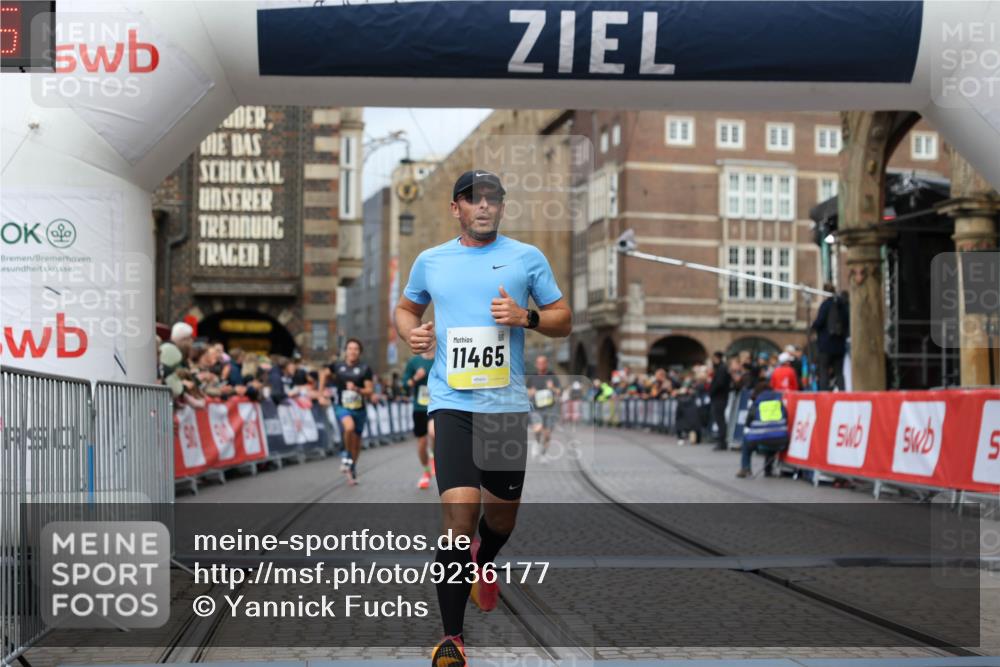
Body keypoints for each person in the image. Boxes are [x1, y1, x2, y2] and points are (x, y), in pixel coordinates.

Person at [394, 169, 571, 667]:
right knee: (458, 518)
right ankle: (452, 640)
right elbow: (405, 310)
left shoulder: (525, 258)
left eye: (493, 199)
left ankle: (480, 565)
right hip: (451, 402)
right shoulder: (431, 261)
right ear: (457, 208)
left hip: (505, 409)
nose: (484, 206)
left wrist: (527, 317)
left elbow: (564, 319)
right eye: (474, 200)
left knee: (501, 518)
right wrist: (413, 333)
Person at [322, 338, 374, 485]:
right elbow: (323, 374)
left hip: (359, 409)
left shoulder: (365, 369)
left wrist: (357, 389)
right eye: (350, 348)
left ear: (360, 352)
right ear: (346, 351)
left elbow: (369, 390)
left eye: (356, 349)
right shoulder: (337, 366)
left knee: (356, 444)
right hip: (342, 406)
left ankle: (352, 467)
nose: (353, 351)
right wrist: (321, 392)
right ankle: (345, 453)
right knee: (348, 427)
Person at [736, 380, 790, 478]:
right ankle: (768, 470)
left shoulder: (757, 403)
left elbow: (748, 423)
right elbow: (786, 417)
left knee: (747, 440)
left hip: (761, 440)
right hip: (781, 441)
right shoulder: (779, 401)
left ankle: (746, 468)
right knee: (772, 435)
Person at [403, 349, 436, 489]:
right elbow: (405, 384)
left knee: (433, 432)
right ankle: (426, 470)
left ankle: (433, 458)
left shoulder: (441, 357)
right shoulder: (414, 362)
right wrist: (416, 377)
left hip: (436, 405)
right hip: (420, 408)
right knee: (421, 443)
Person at [812, 284, 849, 390]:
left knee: (824, 370)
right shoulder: (842, 306)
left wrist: (813, 326)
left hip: (826, 345)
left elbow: (819, 322)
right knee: (839, 372)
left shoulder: (826, 305)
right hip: (839, 345)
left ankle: (824, 393)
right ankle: (842, 392)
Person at [526, 355, 561, 461]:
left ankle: (543, 454)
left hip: (550, 408)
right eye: (539, 363)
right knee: (538, 429)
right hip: (536, 408)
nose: (541, 365)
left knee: (547, 433)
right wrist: (530, 392)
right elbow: (527, 392)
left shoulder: (552, 376)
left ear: (546, 364)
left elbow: (559, 391)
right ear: (536, 364)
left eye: (543, 362)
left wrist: (552, 388)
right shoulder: (532, 377)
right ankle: (536, 443)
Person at [708, 351, 731, 451]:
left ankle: (722, 443)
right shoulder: (721, 368)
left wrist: (712, 391)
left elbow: (719, 384)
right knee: (719, 420)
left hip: (719, 398)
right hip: (719, 397)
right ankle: (721, 442)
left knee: (720, 420)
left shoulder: (721, 369)